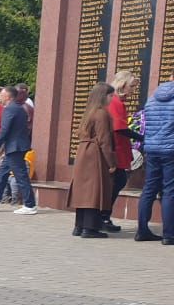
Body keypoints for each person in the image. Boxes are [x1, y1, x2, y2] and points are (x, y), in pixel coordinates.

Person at [66, 83, 118, 239]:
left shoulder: (89, 112)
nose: (112, 98)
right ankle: (90, 228)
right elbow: (104, 141)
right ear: (103, 96)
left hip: (84, 152)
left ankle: (79, 225)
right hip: (95, 155)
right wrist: (112, 163)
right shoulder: (102, 114)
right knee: (93, 191)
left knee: (83, 191)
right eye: (110, 95)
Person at [0, 86, 36, 214]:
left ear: (9, 97)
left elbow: (4, 129)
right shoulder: (18, 108)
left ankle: (30, 205)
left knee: (21, 175)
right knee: (2, 173)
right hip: (15, 146)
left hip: (14, 147)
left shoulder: (10, 109)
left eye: (2, 94)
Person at [135, 74, 174, 244]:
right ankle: (169, 234)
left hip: (151, 149)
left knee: (149, 189)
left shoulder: (151, 100)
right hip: (170, 150)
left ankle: (142, 230)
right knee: (169, 190)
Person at [103, 71, 142, 232]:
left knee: (116, 182)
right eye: (132, 86)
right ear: (123, 84)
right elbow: (120, 128)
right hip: (116, 149)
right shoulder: (116, 102)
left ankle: (104, 216)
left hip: (117, 148)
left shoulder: (114, 101)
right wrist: (141, 137)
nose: (133, 90)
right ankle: (104, 217)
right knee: (116, 182)